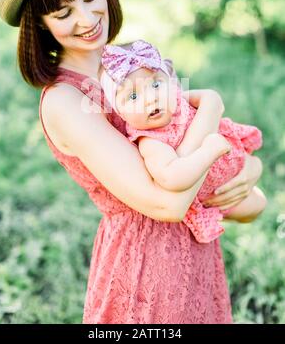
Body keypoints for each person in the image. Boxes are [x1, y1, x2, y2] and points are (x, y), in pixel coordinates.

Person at [0, 0, 264, 324]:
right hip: (145, 273)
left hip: (197, 254)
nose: (86, 20)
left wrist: (250, 165)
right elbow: (168, 202)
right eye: (64, 12)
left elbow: (229, 181)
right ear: (41, 24)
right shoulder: (66, 100)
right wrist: (211, 106)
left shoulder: (133, 65)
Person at [100, 40, 266, 244]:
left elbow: (208, 98)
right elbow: (172, 177)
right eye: (133, 96)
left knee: (260, 203)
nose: (151, 98)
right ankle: (213, 214)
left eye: (156, 84)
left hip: (234, 167)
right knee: (255, 206)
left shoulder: (178, 100)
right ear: (120, 113)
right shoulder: (151, 141)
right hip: (214, 193)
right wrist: (209, 151)